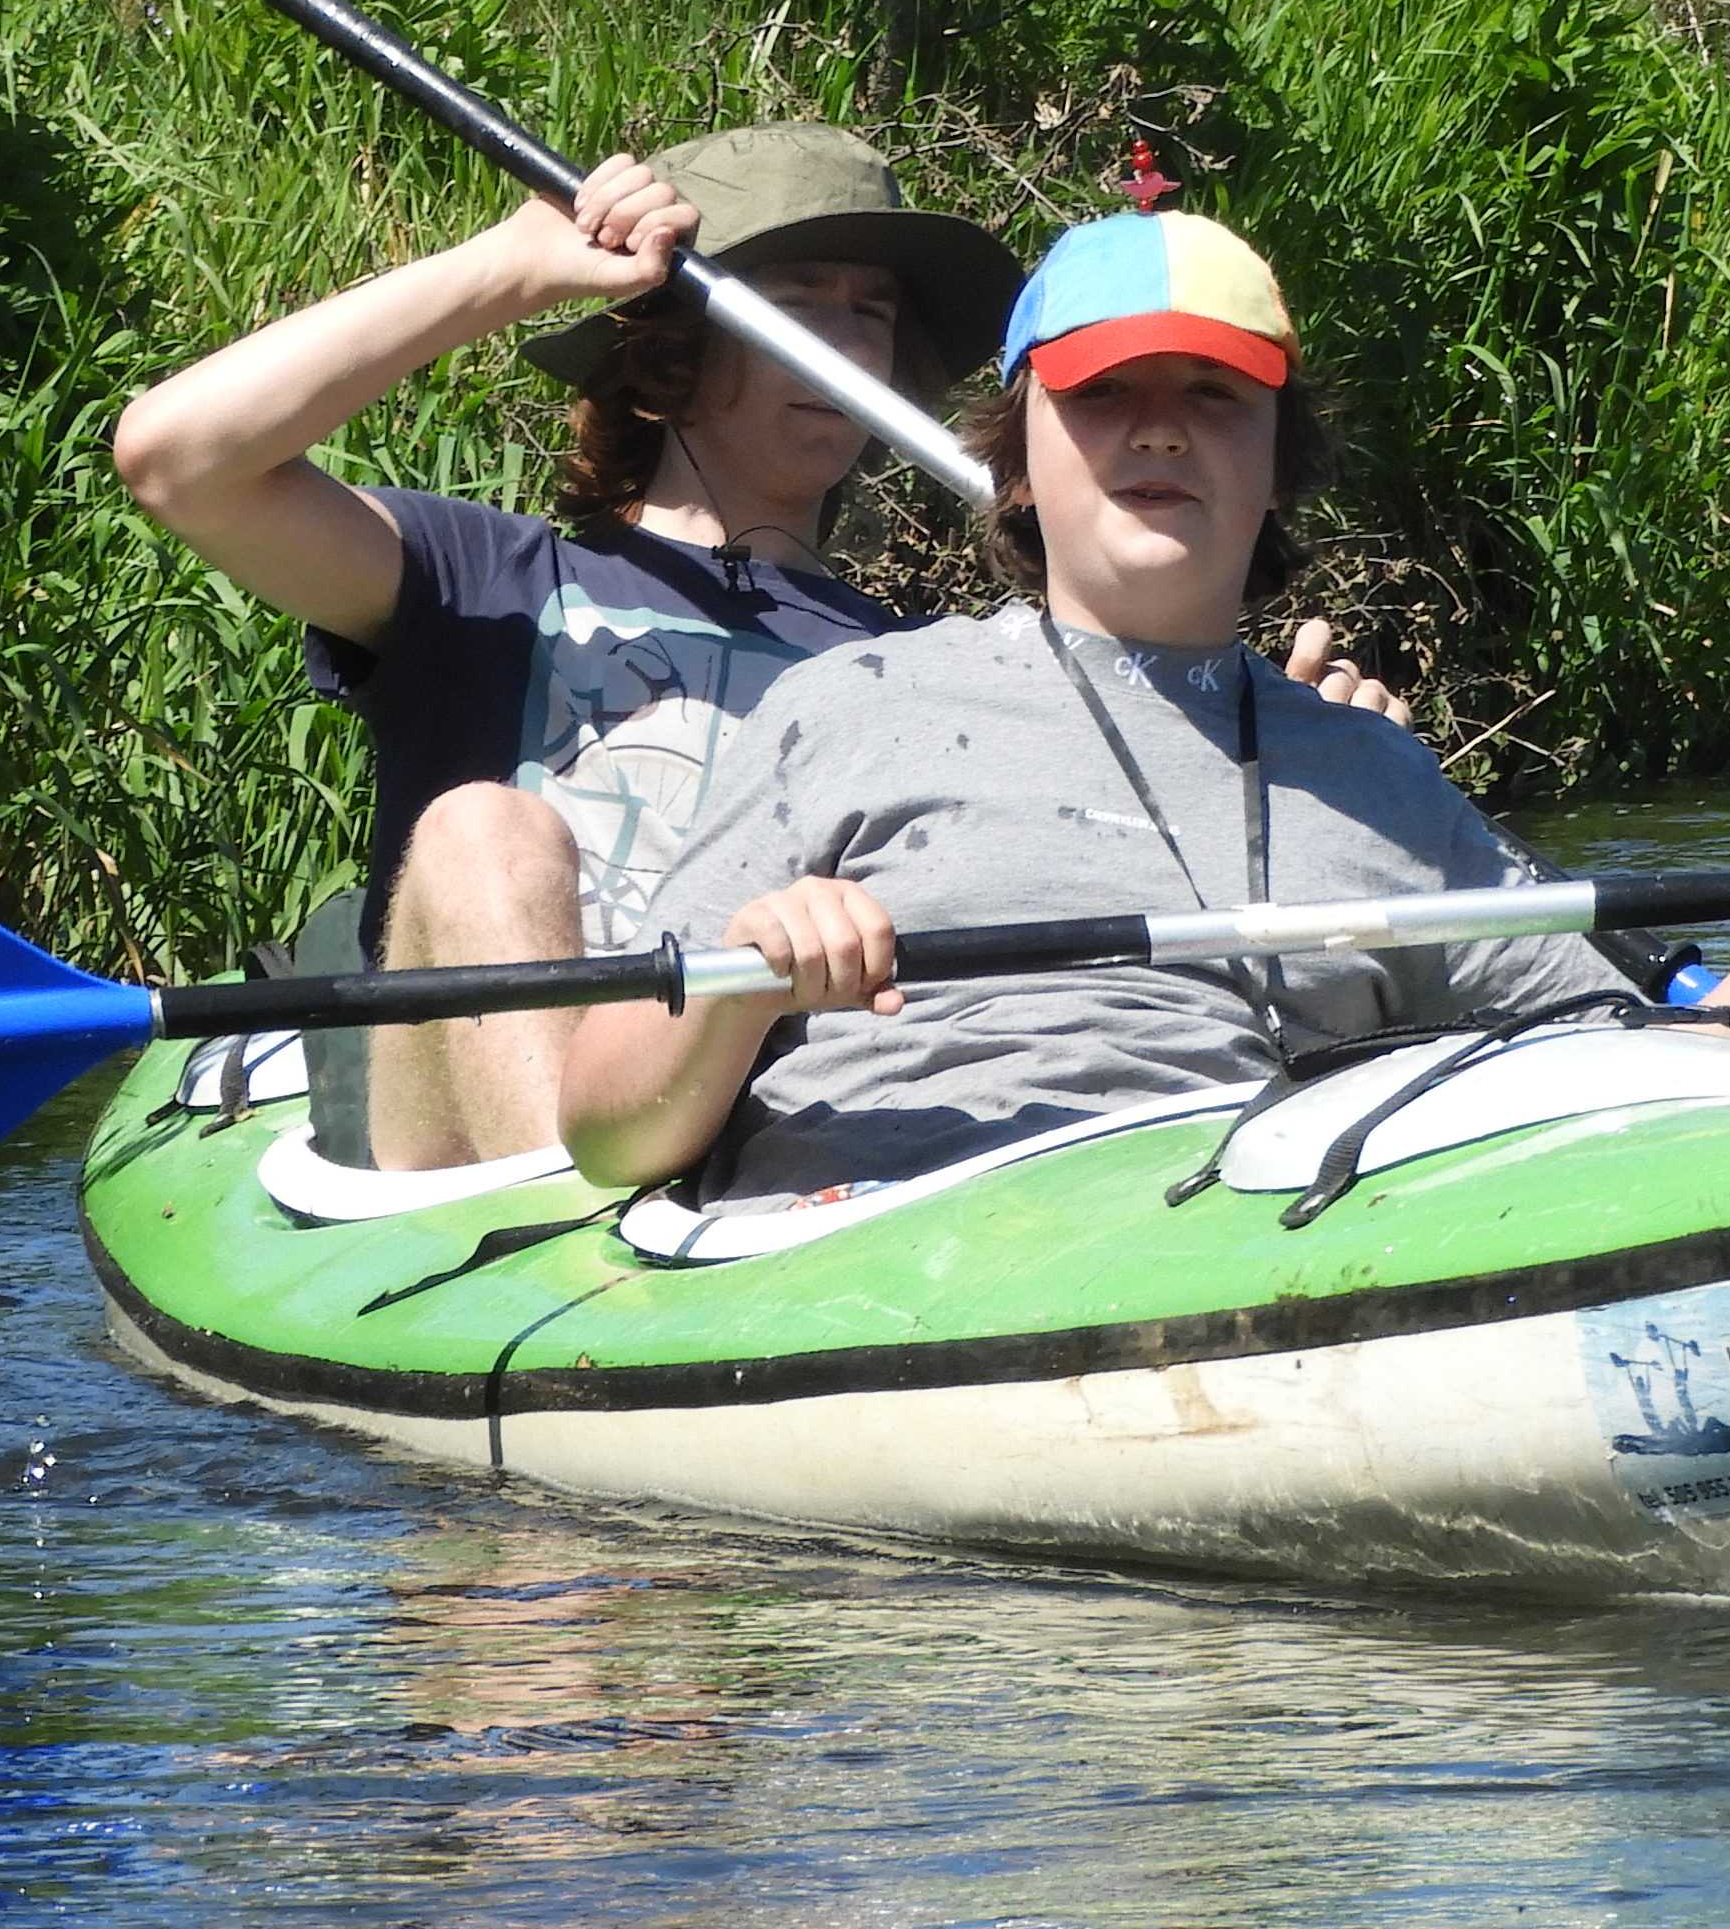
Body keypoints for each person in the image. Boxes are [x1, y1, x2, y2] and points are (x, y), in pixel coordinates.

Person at [557, 210, 1730, 1203]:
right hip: (886, 1231)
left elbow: (1655, 1089)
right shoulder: (846, 705)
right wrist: (746, 977)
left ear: (1279, 465)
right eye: (1109, 395)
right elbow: (612, 1131)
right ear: (1019, 467)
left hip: (1243, 1226)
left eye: (1217, 398)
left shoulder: (1376, 777)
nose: (1162, 429)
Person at [112, 126, 1398, 1166]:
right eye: (799, 304)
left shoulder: (924, 675)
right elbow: (179, 462)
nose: (848, 346)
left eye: (873, 315)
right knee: (486, 832)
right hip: (493, 1138)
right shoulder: (486, 578)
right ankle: (567, 1270)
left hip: (760, 1135)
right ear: (672, 347)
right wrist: (507, 271)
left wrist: (1256, 744)